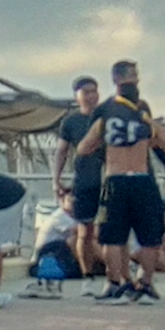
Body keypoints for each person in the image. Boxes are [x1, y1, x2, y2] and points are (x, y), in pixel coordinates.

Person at [76, 60, 165, 304]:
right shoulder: (143, 113)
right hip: (142, 179)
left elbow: (82, 148)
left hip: (115, 179)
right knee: (149, 237)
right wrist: (151, 130)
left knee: (112, 237)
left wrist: (102, 143)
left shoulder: (105, 113)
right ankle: (145, 284)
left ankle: (115, 284)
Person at [51, 77, 107, 287]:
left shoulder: (107, 116)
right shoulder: (71, 121)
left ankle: (118, 276)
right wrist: (56, 180)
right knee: (85, 231)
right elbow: (62, 151)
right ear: (77, 96)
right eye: (86, 92)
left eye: (94, 91)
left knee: (112, 231)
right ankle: (88, 277)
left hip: (109, 179)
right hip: (84, 181)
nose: (91, 96)